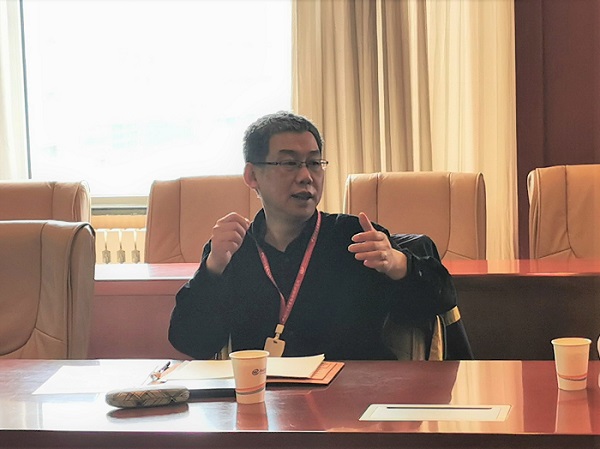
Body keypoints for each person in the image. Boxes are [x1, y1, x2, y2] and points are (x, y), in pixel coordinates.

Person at [169, 111, 460, 360]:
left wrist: (399, 265)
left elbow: (442, 300)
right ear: (252, 176)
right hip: (264, 401)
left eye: (314, 163)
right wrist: (212, 270)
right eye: (289, 163)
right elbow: (192, 343)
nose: (306, 176)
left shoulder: (355, 238)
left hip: (352, 398)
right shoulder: (233, 250)